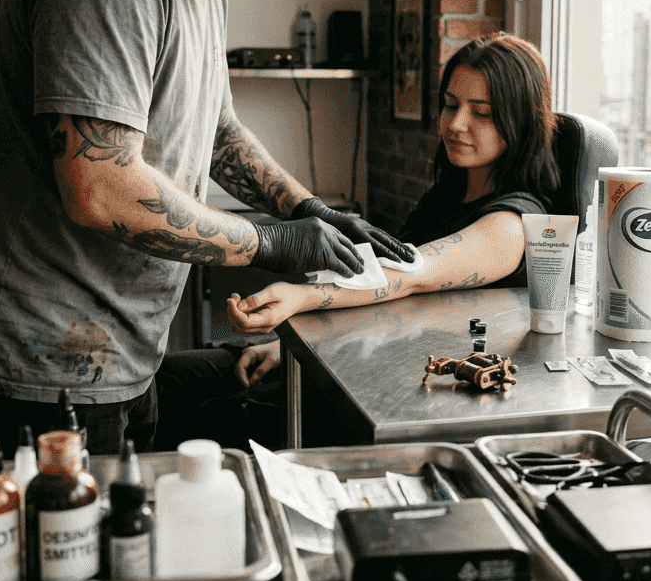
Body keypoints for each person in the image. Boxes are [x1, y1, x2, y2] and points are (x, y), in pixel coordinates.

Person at [0, 0, 411, 461]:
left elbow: (217, 130)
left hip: (113, 355)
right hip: (32, 370)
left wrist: (303, 208)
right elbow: (100, 186)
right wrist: (270, 241)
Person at [157, 33, 560, 450]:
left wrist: (300, 297)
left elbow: (411, 276)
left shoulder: (514, 223)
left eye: (483, 113)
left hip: (390, 389)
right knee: (164, 382)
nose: (456, 124)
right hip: (351, 356)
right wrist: (290, 347)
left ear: (520, 122)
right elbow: (389, 306)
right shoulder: (446, 196)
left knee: (200, 423)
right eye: (451, 104)